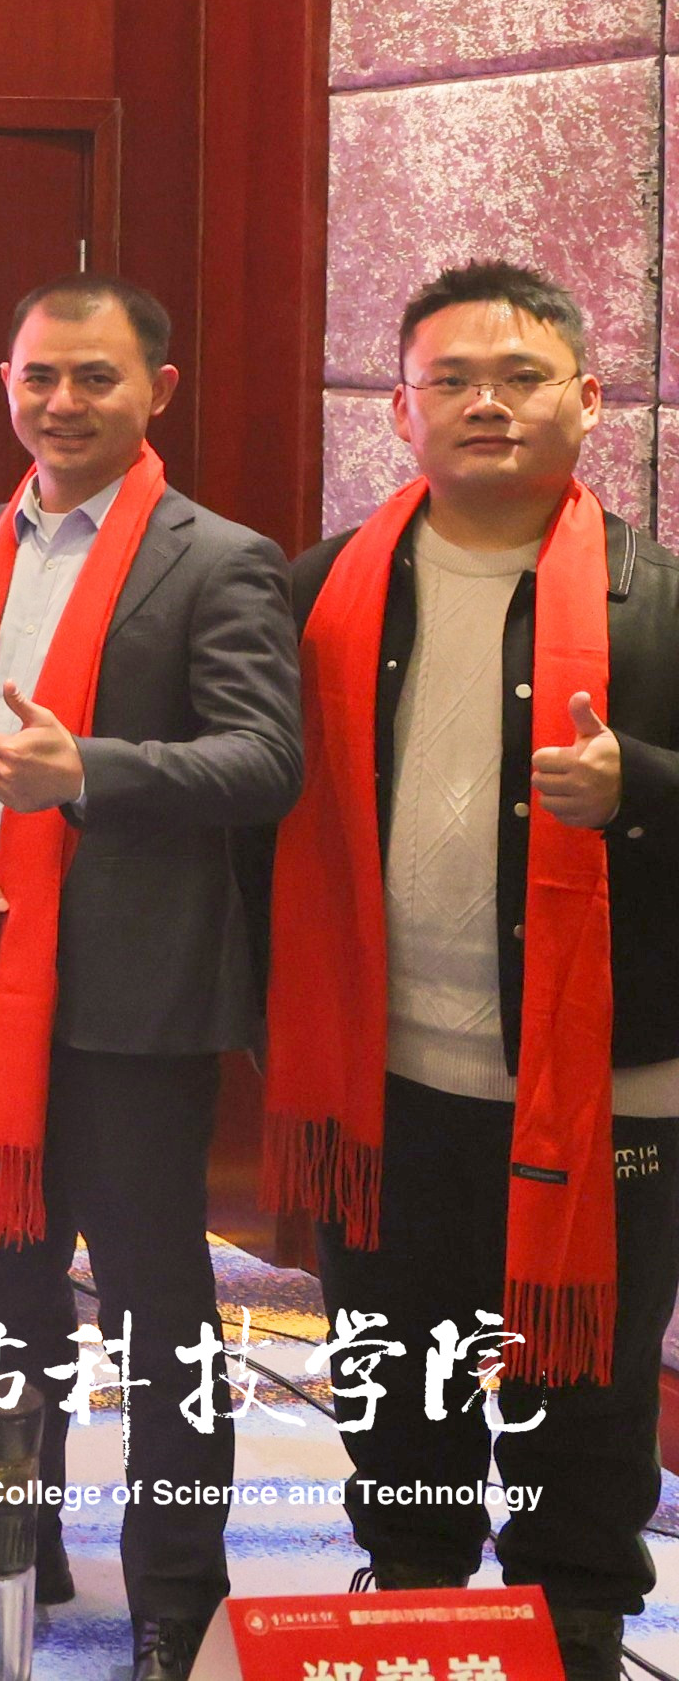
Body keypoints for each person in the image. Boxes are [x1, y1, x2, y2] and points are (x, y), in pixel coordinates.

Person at [0, 278, 296, 1681]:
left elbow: (265, 759)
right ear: (7, 384)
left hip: (136, 1004)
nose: (64, 403)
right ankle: (9, 1540)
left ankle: (175, 1592)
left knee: (159, 1317)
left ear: (158, 390)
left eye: (96, 378)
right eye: (40, 377)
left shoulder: (219, 559)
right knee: (2, 1292)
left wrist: (87, 771)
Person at [265, 261, 679, 1681]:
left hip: (606, 1080)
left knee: (587, 1381)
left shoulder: (658, 601)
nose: (486, 403)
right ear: (402, 409)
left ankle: (574, 1621)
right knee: (397, 1360)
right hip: (385, 1069)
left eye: (522, 377)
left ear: (591, 399)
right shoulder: (320, 588)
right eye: (451, 380)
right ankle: (416, 1591)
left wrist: (639, 786)